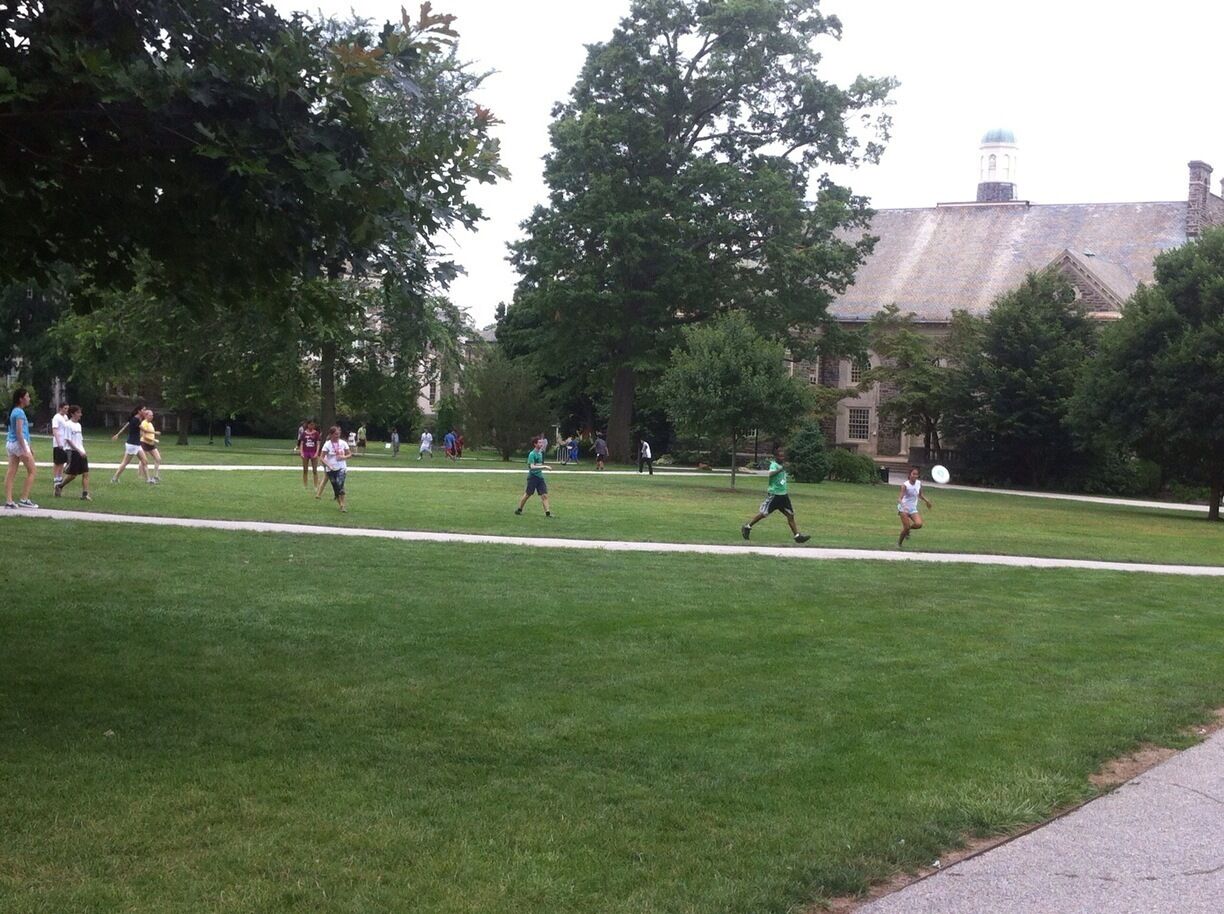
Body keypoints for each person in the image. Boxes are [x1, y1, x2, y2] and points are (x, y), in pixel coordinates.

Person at [741, 444, 811, 544]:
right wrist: (780, 469)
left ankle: (797, 536)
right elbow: (770, 474)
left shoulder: (783, 465)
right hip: (774, 495)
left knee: (790, 515)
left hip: (783, 496)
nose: (782, 458)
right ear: (776, 457)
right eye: (780, 456)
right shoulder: (774, 465)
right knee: (764, 513)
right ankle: (747, 527)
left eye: (783, 456)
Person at [4, 387, 38, 509]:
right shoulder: (19, 412)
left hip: (11, 443)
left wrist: (29, 446)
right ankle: (24, 499)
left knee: (11, 473)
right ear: (21, 399)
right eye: (27, 396)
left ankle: (9, 501)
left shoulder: (14, 411)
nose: (29, 399)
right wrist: (24, 449)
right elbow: (19, 433)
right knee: (32, 471)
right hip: (19, 444)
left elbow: (22, 432)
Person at [55, 405, 91, 501]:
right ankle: (59, 486)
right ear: (72, 414)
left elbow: (80, 440)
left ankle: (85, 494)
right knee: (73, 475)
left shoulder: (79, 425)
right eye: (78, 413)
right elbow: (68, 440)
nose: (80, 414)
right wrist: (78, 451)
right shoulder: (68, 425)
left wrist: (83, 450)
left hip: (81, 451)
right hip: (73, 451)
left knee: (86, 473)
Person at [514, 436, 553, 517]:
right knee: (528, 494)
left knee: (544, 495)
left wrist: (542, 467)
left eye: (542, 442)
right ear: (535, 444)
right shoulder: (532, 454)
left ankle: (548, 513)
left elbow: (539, 464)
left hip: (540, 477)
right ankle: (519, 509)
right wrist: (544, 467)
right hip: (532, 477)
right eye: (539, 442)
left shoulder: (540, 453)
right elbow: (532, 467)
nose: (541, 444)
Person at [897, 466, 933, 547]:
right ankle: (899, 544)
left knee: (919, 524)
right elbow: (899, 499)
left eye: (917, 474)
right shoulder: (905, 485)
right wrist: (903, 506)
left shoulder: (918, 483)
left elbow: (920, 495)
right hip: (903, 508)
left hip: (913, 508)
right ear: (910, 474)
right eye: (913, 474)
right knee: (906, 527)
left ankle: (907, 530)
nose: (915, 476)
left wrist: (927, 501)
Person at [110, 406, 148, 483]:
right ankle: (114, 479)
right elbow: (144, 430)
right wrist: (154, 432)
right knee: (125, 462)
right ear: (139, 411)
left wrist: (118, 434)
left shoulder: (138, 419)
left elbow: (125, 427)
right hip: (132, 444)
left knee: (144, 461)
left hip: (137, 444)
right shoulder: (135, 419)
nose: (145, 411)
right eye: (144, 410)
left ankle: (148, 479)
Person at [319, 425, 351, 512]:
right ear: (331, 434)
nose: (338, 436)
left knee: (339, 484)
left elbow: (349, 454)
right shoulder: (327, 444)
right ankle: (341, 505)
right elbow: (321, 457)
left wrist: (344, 457)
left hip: (341, 468)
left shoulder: (343, 443)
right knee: (336, 487)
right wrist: (328, 465)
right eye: (336, 434)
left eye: (339, 434)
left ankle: (343, 505)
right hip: (331, 469)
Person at [139, 408, 163, 484]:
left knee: (158, 458)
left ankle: (155, 476)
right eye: (150, 415)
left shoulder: (150, 423)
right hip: (144, 443)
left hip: (151, 444)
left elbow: (150, 433)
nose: (152, 417)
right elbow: (143, 435)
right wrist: (154, 439)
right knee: (143, 460)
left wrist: (153, 439)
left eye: (152, 415)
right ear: (146, 416)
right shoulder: (144, 423)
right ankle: (140, 475)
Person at [297, 419, 322, 490]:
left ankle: (315, 486)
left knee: (315, 470)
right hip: (305, 452)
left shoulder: (316, 433)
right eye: (310, 424)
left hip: (313, 452)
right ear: (308, 425)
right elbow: (301, 444)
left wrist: (317, 453)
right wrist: (301, 452)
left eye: (313, 425)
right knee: (305, 470)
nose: (312, 426)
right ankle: (305, 485)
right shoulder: (304, 433)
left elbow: (318, 444)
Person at [51, 402, 70, 488]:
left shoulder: (65, 417)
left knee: (62, 461)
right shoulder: (56, 417)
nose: (66, 410)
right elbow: (55, 430)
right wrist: (59, 442)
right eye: (65, 408)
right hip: (58, 443)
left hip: (64, 443)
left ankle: (60, 477)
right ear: (61, 408)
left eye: (67, 408)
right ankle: (56, 478)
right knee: (57, 462)